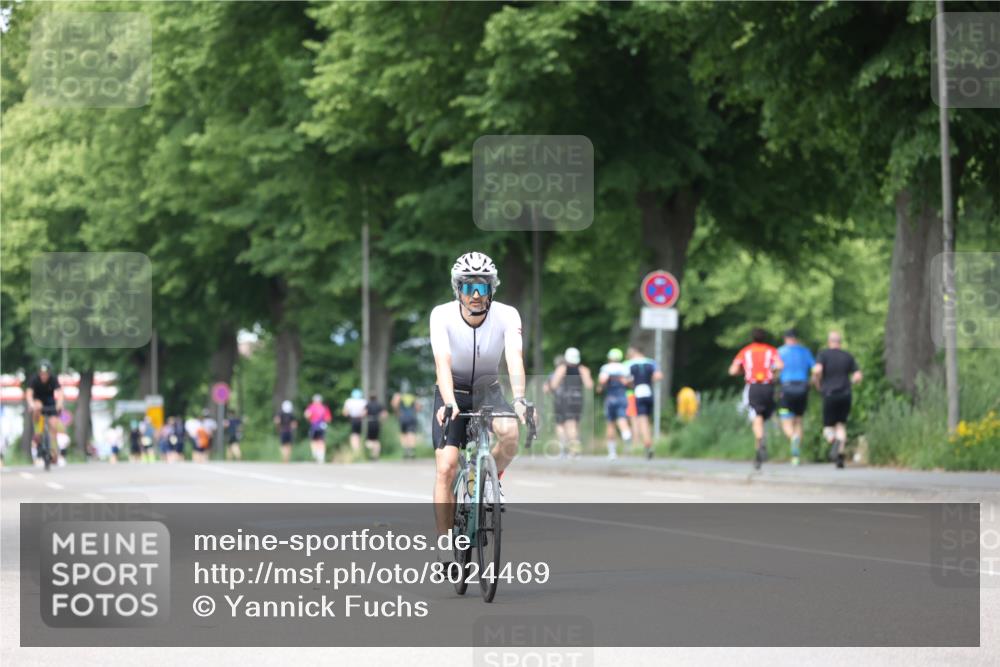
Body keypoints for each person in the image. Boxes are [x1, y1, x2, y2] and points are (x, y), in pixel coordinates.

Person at [430, 251, 528, 565]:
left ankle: (488, 477)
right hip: (453, 392)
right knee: (446, 467)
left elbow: (514, 357)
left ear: (491, 289)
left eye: (482, 287)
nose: (475, 294)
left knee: (510, 434)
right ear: (457, 289)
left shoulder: (507, 315)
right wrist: (449, 402)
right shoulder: (441, 315)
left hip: (488, 391)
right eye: (469, 287)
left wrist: (519, 399)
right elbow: (442, 363)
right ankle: (445, 543)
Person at [729, 328, 784, 470]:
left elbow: (732, 370)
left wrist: (744, 371)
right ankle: (762, 442)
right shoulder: (771, 350)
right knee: (766, 415)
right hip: (768, 386)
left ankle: (759, 441)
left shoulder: (746, 351)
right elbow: (780, 365)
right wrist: (773, 372)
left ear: (752, 338)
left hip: (753, 386)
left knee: (756, 416)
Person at [813, 331, 862, 469]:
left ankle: (834, 441)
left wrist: (817, 383)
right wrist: (850, 383)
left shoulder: (823, 355)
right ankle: (840, 455)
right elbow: (858, 376)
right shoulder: (848, 356)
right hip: (845, 394)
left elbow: (817, 370)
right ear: (840, 342)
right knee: (841, 425)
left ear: (829, 342)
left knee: (828, 428)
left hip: (829, 394)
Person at [777, 328, 816, 466]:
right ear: (796, 338)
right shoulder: (805, 351)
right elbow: (816, 369)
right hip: (802, 388)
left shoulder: (780, 352)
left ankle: (792, 437)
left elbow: (774, 369)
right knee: (798, 420)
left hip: (787, 388)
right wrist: (812, 382)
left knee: (785, 421)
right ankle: (796, 456)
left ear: (785, 338)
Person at [548, 347, 593, 458]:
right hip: (578, 399)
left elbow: (553, 385)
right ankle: (573, 449)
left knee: (565, 425)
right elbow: (589, 385)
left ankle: (572, 450)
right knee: (575, 425)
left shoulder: (562, 368)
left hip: (565, 399)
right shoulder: (583, 369)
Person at [625, 347, 664, 460]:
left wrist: (632, 383)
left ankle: (647, 445)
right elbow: (658, 376)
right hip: (649, 392)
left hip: (638, 393)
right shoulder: (651, 362)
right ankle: (648, 443)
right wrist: (648, 379)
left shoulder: (629, 364)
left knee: (642, 421)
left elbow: (626, 380)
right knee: (647, 419)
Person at [24, 359, 63, 467]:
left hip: (50, 403)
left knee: (54, 425)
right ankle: (38, 432)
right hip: (38, 402)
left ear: (49, 373)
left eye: (46, 374)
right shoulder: (34, 379)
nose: (44, 376)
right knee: (37, 406)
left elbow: (60, 393)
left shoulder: (53, 379)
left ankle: (53, 451)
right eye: (42, 374)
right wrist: (31, 404)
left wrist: (59, 404)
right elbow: (29, 393)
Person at [597, 348, 633, 460]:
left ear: (609, 358)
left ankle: (612, 452)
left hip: (610, 397)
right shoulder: (624, 368)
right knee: (622, 419)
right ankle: (626, 434)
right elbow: (630, 383)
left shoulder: (606, 368)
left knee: (610, 423)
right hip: (622, 396)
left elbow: (602, 381)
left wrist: (600, 387)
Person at [543, 355, 567, 455]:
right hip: (573, 401)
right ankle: (573, 449)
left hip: (559, 400)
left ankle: (563, 448)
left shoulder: (552, 375)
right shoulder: (570, 373)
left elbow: (545, 389)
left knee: (560, 425)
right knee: (572, 424)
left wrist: (551, 389)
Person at [391, 387, 421, 459]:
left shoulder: (399, 396)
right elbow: (418, 407)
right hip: (412, 417)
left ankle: (405, 450)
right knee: (412, 433)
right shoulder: (413, 397)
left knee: (403, 434)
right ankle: (412, 450)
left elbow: (394, 404)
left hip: (403, 417)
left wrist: (397, 412)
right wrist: (414, 412)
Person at [304, 395, 332, 464]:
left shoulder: (311, 407)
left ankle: (315, 455)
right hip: (322, 426)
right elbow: (328, 418)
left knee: (313, 441)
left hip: (314, 426)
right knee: (321, 441)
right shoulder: (324, 407)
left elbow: (307, 415)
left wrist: (309, 419)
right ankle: (321, 457)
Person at [342, 389, 368, 456]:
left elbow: (345, 412)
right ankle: (359, 450)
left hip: (352, 419)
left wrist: (349, 417)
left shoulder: (349, 401)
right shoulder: (363, 401)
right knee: (359, 435)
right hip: (360, 419)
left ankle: (355, 451)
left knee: (354, 435)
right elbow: (365, 412)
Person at [364, 394, 387, 460]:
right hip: (377, 422)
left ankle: (373, 452)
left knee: (369, 441)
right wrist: (382, 420)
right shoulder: (379, 405)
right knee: (376, 440)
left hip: (370, 422)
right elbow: (385, 414)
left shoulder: (368, 405)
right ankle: (375, 455)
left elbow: (364, 413)